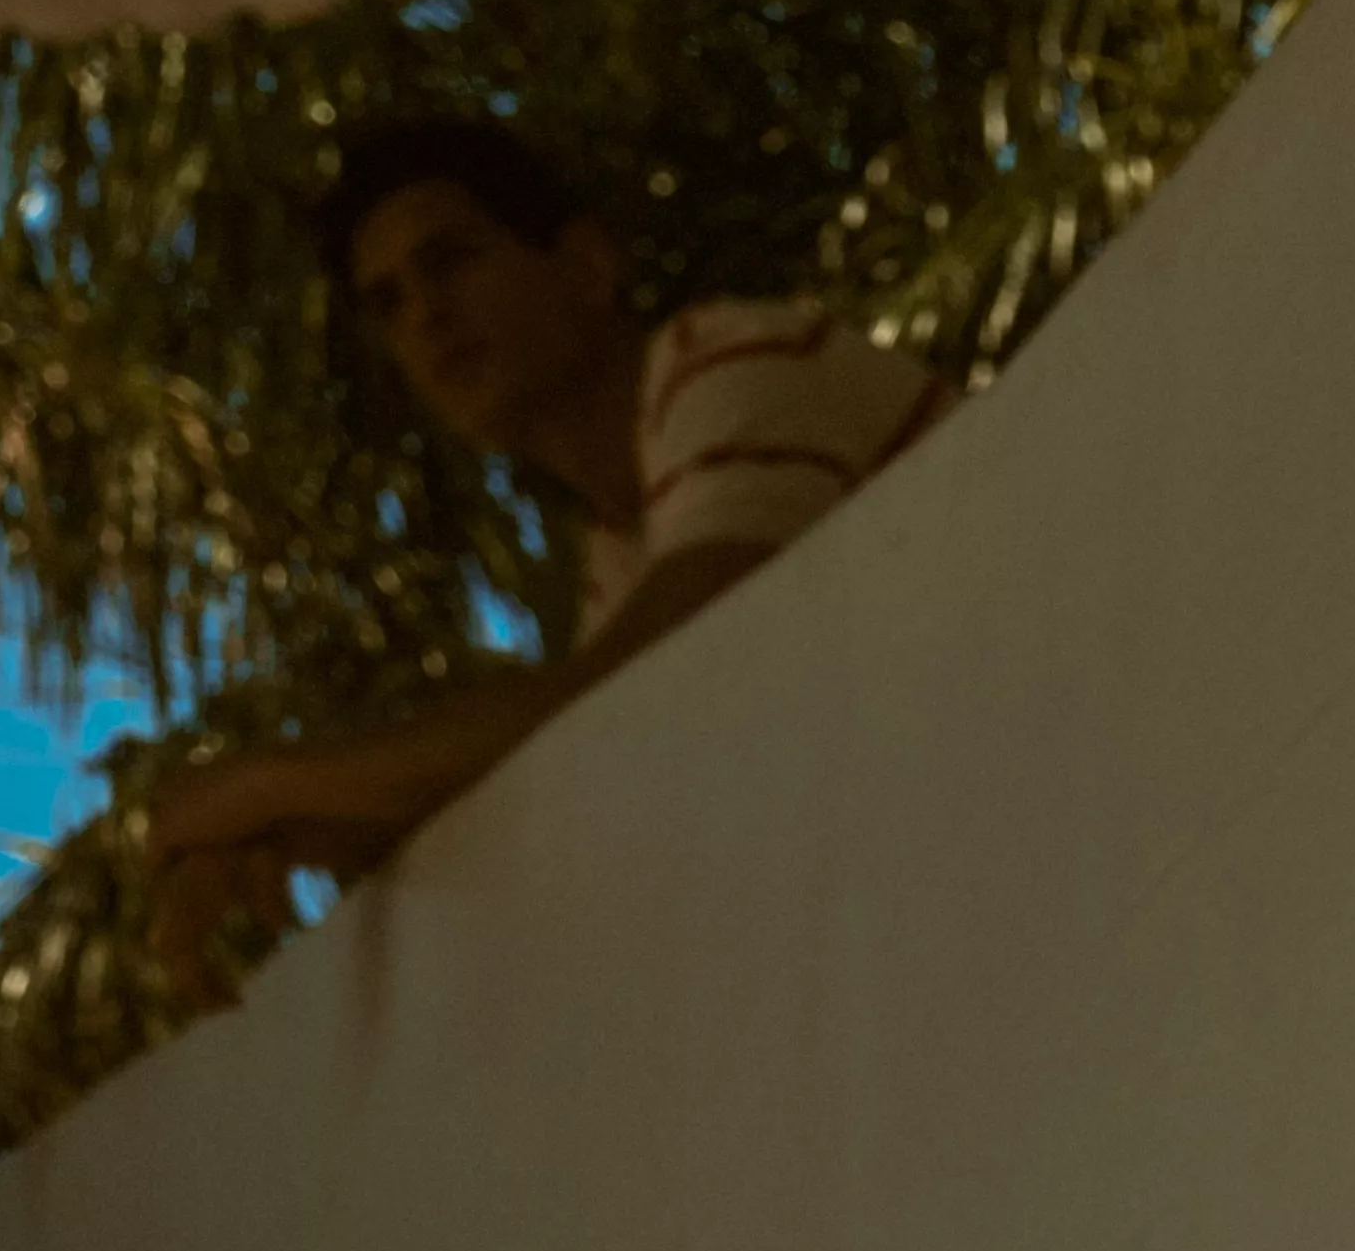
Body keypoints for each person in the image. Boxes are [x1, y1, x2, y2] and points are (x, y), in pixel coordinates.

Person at [134, 113, 940, 988]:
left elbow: (659, 674)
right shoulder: (618, 551)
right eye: (389, 303)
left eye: (450, 260)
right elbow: (583, 760)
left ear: (587, 267)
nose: (428, 317)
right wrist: (301, 834)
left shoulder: (731, 357)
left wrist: (283, 783)